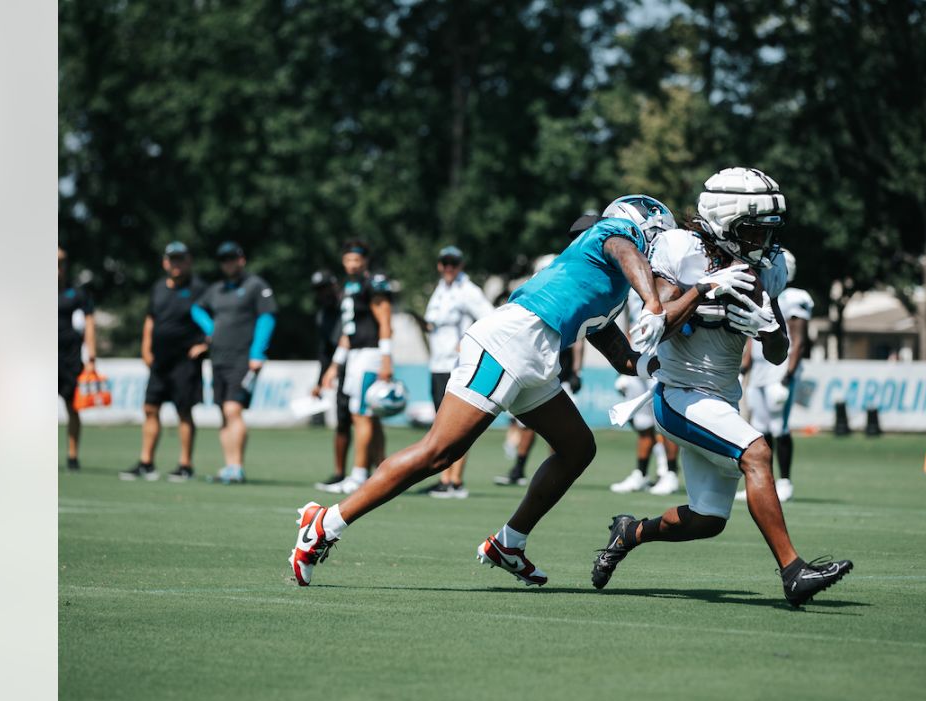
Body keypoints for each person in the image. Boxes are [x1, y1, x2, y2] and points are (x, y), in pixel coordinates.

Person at [288, 195, 739, 588]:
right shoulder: (616, 235)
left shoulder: (614, 288)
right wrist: (657, 304)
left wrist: (670, 366)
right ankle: (324, 523)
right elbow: (625, 250)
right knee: (439, 453)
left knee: (577, 447)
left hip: (535, 360)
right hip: (508, 342)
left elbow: (622, 355)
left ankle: (509, 543)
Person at [590, 168, 852, 608]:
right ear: (725, 224)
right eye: (753, 230)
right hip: (678, 394)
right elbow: (655, 328)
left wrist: (770, 330)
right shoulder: (679, 251)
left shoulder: (767, 268)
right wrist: (703, 289)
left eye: (768, 231)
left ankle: (628, 534)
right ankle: (793, 571)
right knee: (757, 452)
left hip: (721, 399)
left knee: (708, 519)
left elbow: (775, 352)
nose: (762, 242)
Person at [190, 242, 277, 484]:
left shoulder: (255, 286)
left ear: (241, 260)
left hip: (244, 358)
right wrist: (211, 330)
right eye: (224, 259)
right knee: (222, 412)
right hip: (218, 358)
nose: (228, 263)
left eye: (232, 258)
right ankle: (228, 466)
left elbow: (267, 317)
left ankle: (237, 466)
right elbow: (196, 309)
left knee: (232, 409)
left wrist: (258, 352)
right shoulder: (216, 289)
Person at [121, 242, 208, 482]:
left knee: (183, 411)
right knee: (150, 408)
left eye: (181, 259)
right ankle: (146, 462)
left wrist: (205, 345)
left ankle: (185, 465)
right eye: (172, 259)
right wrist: (145, 347)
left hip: (185, 361)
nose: (176, 264)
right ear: (165, 262)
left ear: (188, 261)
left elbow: (215, 319)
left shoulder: (199, 288)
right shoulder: (158, 288)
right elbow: (151, 319)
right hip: (159, 361)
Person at [315, 240, 394, 495]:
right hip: (354, 355)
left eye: (356, 259)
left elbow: (385, 320)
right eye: (348, 259)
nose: (352, 264)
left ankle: (359, 475)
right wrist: (334, 366)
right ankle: (383, 470)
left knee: (362, 415)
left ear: (365, 261)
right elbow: (348, 333)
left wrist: (386, 358)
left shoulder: (373, 284)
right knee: (367, 415)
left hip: (370, 355)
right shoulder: (349, 287)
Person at [418, 245, 494, 499]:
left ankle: (455, 481)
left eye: (454, 263)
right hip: (438, 363)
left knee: (457, 423)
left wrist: (467, 340)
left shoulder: (468, 291)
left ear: (461, 265)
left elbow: (489, 317)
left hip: (457, 364)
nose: (449, 267)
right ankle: (444, 478)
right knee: (440, 423)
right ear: (440, 265)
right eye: (445, 263)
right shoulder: (440, 290)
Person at [737, 250, 812, 503]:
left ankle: (786, 481)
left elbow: (799, 340)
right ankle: (764, 482)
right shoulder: (761, 292)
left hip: (779, 370)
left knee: (779, 427)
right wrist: (743, 369)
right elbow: (750, 337)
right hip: (759, 370)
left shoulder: (794, 297)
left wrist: (788, 376)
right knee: (760, 428)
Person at [610, 288, 681, 495]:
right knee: (643, 424)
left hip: (660, 356)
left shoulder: (662, 277)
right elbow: (626, 322)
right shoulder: (628, 286)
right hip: (636, 358)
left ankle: (670, 473)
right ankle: (641, 474)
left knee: (665, 421)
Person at [492, 342, 582, 487]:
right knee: (527, 425)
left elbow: (578, 344)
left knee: (557, 429)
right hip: (538, 378)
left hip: (561, 379)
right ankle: (519, 469)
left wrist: (577, 372)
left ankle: (557, 472)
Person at [309, 270, 352, 484]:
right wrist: (319, 381)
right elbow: (325, 350)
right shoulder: (323, 314)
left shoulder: (350, 303)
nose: (323, 293)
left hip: (359, 363)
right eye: (319, 290)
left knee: (367, 420)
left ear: (335, 285)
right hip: (340, 369)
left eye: (325, 287)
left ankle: (377, 471)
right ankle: (339, 473)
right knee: (342, 420)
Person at [58, 247, 97, 472]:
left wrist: (91, 356)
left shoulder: (77, 294)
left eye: (60, 263)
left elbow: (89, 323)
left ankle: (72, 456)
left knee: (73, 407)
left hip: (69, 360)